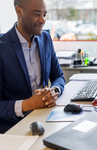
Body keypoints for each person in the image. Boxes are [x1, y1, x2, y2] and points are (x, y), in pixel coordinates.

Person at [0, 0, 65, 133]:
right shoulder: (2, 47)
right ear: (18, 11)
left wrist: (54, 91)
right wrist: (27, 104)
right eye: (37, 14)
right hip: (14, 125)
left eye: (44, 14)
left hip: (46, 116)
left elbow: (58, 76)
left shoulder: (46, 39)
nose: (43, 20)